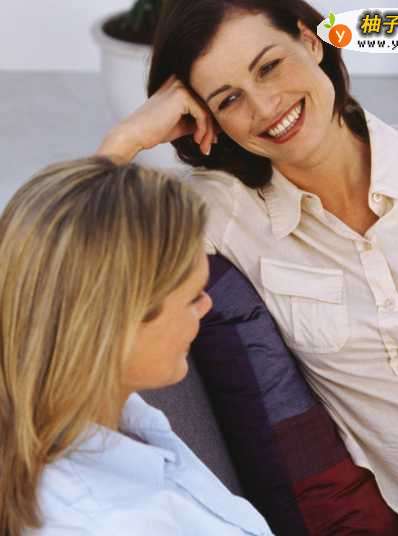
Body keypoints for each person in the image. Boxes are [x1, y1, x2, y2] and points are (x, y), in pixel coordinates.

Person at [97, 0, 398, 533]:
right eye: (229, 99)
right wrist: (126, 140)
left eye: (269, 66)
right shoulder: (222, 214)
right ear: (210, 121)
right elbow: (54, 262)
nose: (265, 106)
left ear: (311, 41)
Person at [0, 156, 274, 536]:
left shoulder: (117, 416)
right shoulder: (97, 523)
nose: (207, 306)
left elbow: (69, 253)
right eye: (193, 297)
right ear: (118, 325)